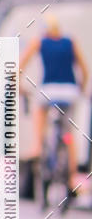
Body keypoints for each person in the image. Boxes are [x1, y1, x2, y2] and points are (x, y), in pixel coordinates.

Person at [20, 15, 89, 192]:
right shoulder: (70, 42)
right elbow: (84, 70)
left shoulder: (39, 41)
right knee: (68, 133)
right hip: (70, 91)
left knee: (38, 109)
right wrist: (80, 88)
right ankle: (72, 175)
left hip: (48, 90)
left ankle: (37, 146)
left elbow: (19, 67)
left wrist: (19, 87)